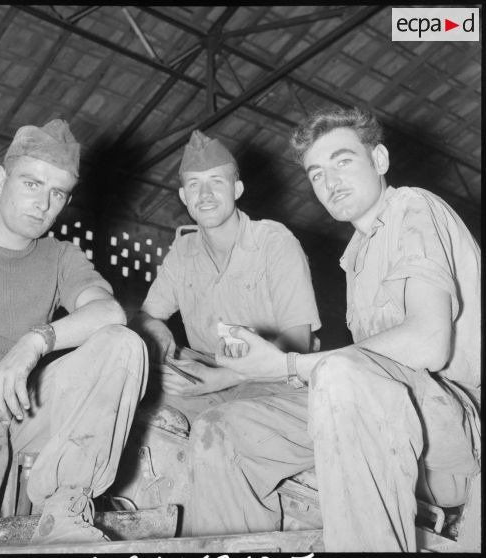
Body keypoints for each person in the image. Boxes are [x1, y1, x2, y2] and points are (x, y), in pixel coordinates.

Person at [187, 107, 481, 551]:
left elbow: (429, 342)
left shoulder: (413, 208)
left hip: (453, 431)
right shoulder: (356, 255)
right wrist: (258, 369)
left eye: (343, 161)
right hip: (391, 417)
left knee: (338, 374)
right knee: (222, 428)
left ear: (379, 160)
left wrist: (288, 363)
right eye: (317, 173)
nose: (330, 182)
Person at [0, 119, 148, 549]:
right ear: (0, 179)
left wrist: (35, 342)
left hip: (22, 405)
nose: (42, 204)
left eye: (57, 193)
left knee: (123, 345)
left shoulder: (61, 256)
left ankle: (66, 507)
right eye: (32, 184)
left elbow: (109, 311)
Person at [130, 130, 320, 525]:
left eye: (216, 182)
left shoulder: (274, 242)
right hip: (208, 380)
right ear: (183, 197)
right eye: (193, 185)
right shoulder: (182, 252)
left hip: (277, 383)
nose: (205, 194)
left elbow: (297, 344)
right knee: (132, 407)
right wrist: (156, 328)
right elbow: (147, 315)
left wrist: (220, 378)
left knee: (218, 434)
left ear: (237, 188)